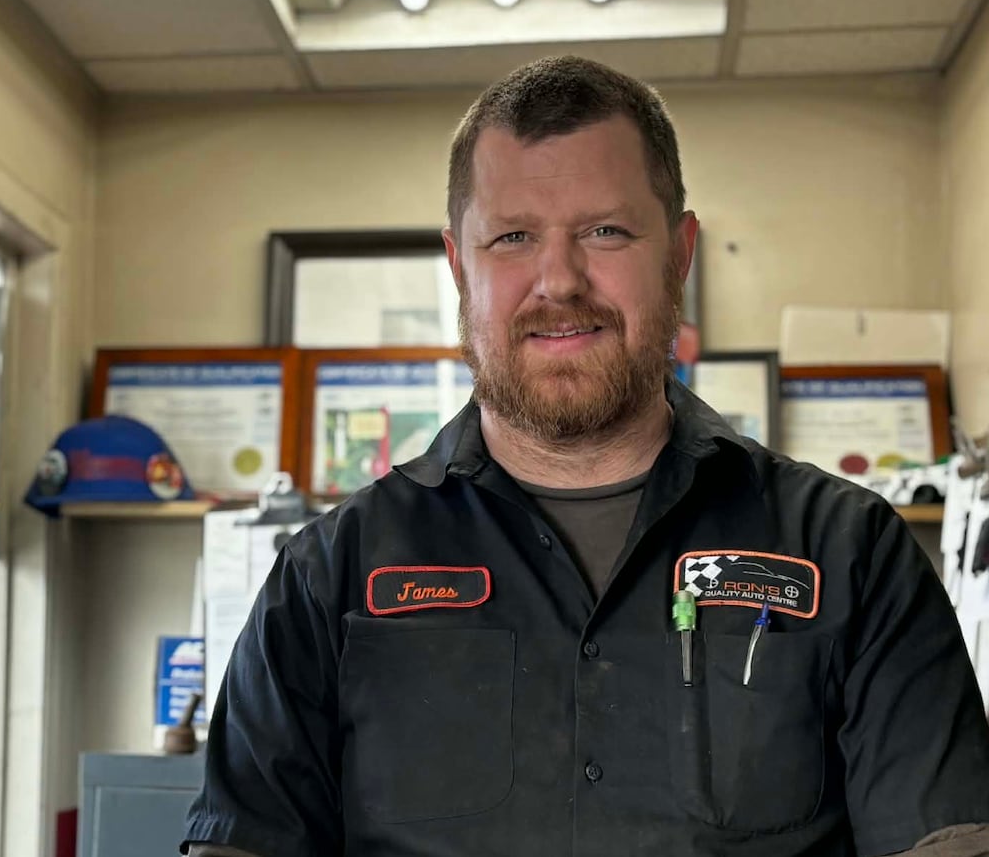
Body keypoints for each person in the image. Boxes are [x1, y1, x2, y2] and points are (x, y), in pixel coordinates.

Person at [182, 56, 989, 856]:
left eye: (605, 231)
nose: (558, 280)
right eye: (512, 237)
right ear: (461, 269)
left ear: (680, 253)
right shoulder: (329, 577)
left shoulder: (851, 552)